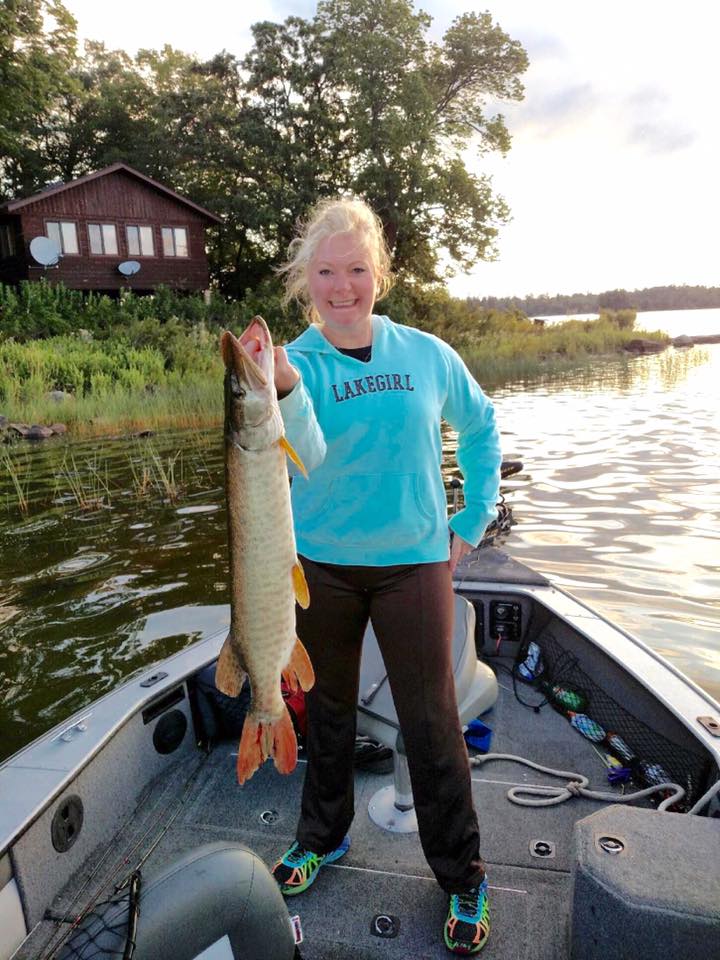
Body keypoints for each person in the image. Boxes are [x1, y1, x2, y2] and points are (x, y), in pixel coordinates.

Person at [269, 197, 501, 955]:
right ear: (307, 280)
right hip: (323, 566)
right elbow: (305, 452)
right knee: (326, 710)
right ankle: (322, 837)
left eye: (357, 270)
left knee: (430, 719)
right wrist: (281, 389)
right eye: (327, 272)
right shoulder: (292, 366)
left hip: (415, 563)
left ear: (380, 275)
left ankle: (463, 878)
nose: (343, 287)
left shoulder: (428, 355)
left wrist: (470, 521)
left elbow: (481, 425)